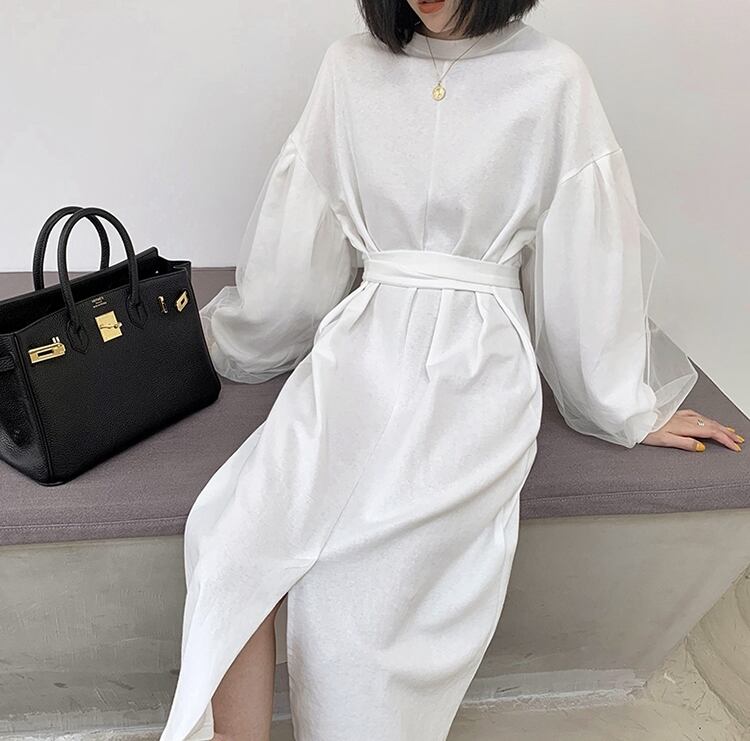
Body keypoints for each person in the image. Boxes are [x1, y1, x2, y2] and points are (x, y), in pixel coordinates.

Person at [160, 1, 743, 739]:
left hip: (476, 368)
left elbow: (580, 258)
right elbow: (305, 234)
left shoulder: (552, 78)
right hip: (362, 348)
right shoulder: (349, 69)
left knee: (360, 611)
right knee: (232, 542)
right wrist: (234, 337)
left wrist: (627, 403)